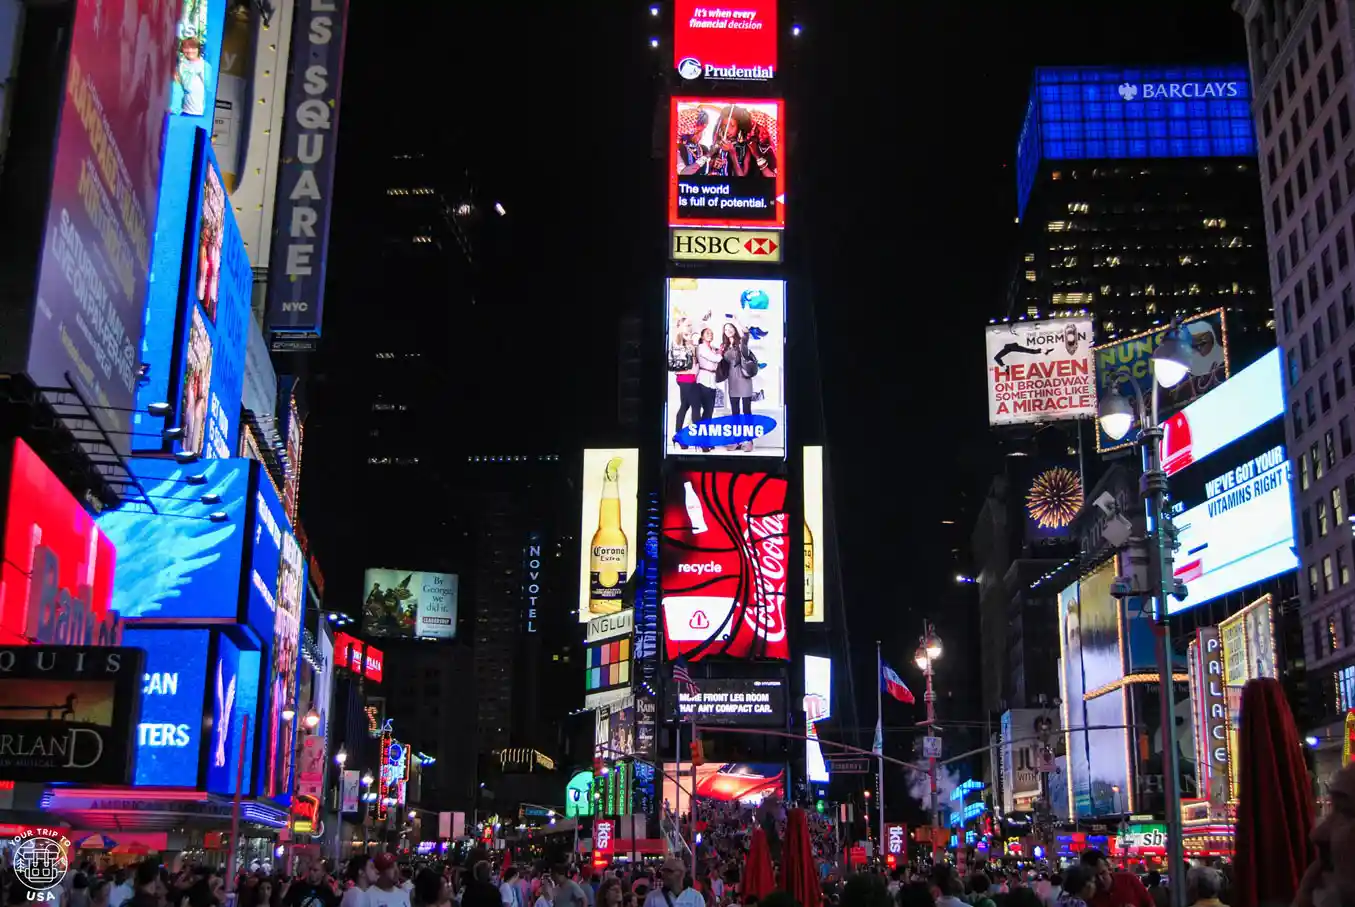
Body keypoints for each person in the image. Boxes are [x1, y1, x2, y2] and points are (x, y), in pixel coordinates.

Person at [717, 320, 757, 451]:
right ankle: (736, 440)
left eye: (730, 328)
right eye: (725, 328)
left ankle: (749, 441)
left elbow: (746, 333)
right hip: (732, 379)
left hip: (744, 379)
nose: (727, 330)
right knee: (735, 412)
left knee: (746, 412)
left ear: (734, 329)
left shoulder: (741, 344)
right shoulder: (724, 346)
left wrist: (735, 320)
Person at [1079, 850, 1152, 907]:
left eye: (1102, 873)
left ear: (1109, 868)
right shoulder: (1087, 896)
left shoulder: (1129, 879)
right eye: (1094, 876)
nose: (1100, 879)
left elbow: (1150, 904)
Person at [693, 325, 722, 449]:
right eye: (707, 333)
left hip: (712, 381)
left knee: (709, 412)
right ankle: (702, 442)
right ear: (702, 336)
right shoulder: (701, 348)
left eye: (711, 333)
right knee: (704, 412)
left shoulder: (712, 348)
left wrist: (718, 351)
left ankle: (707, 441)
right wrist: (720, 353)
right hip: (703, 380)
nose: (710, 334)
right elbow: (715, 359)